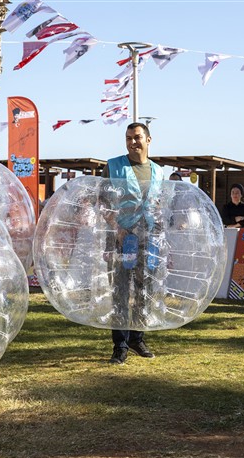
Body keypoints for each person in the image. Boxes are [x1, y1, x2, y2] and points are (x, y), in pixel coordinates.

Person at [101, 122, 162, 365]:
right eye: (128, 138)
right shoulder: (113, 166)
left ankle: (138, 338)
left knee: (144, 290)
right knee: (121, 291)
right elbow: (103, 202)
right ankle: (120, 345)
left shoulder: (159, 171)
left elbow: (159, 205)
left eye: (137, 137)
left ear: (149, 140)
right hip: (122, 238)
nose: (132, 142)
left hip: (149, 240)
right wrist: (117, 229)